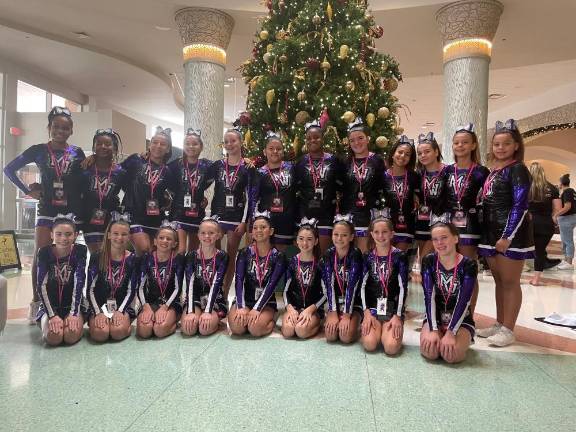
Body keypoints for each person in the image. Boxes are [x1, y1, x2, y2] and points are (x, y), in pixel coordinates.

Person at [3, 107, 85, 323]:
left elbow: (84, 181)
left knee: (70, 257)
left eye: (65, 127)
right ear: (49, 128)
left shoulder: (78, 152)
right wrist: (27, 190)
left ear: (71, 129)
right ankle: (36, 302)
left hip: (70, 211)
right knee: (41, 255)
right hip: (47, 209)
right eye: (56, 126)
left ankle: (70, 299)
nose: (60, 130)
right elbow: (9, 169)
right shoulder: (38, 150)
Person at [477, 119, 534, 347]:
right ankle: (500, 323)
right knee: (500, 280)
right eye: (497, 144)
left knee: (510, 281)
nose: (500, 148)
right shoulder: (493, 171)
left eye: (506, 144)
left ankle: (509, 329)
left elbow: (520, 205)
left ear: (516, 145)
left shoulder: (518, 169)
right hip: (491, 232)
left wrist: (507, 236)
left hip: (510, 234)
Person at [443, 123, 489, 313]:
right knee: (447, 267)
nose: (460, 146)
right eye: (456, 143)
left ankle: (469, 313)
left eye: (464, 142)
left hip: (470, 224)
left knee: (468, 269)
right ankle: (449, 309)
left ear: (473, 145)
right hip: (448, 224)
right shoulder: (446, 171)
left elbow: (486, 200)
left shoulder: (481, 171)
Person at [420, 217, 476, 364]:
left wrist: (451, 332)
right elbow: (428, 296)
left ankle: (464, 339)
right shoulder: (429, 261)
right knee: (431, 352)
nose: (439, 243)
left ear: (455, 238)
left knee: (452, 356)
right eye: (435, 239)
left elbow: (464, 300)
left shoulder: (468, 264)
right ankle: (439, 335)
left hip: (461, 319)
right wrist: (433, 328)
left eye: (444, 238)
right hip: (435, 317)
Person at [208, 127, 255, 295]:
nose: (229, 144)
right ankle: (212, 290)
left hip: (236, 217)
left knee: (230, 255)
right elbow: (201, 184)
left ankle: (224, 291)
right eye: (226, 141)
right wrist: (199, 200)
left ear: (241, 142)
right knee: (214, 254)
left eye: (233, 141)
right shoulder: (218, 165)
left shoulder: (248, 167)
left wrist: (245, 222)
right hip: (218, 216)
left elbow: (251, 197)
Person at [228, 211, 286, 337]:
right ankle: (248, 314)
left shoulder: (278, 256)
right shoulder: (244, 253)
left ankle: (270, 318)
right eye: (255, 228)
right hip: (245, 299)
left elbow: (272, 285)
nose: (258, 230)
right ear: (252, 232)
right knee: (237, 328)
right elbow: (239, 281)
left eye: (263, 227)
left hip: (266, 302)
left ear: (271, 231)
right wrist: (241, 306)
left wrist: (257, 308)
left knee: (255, 329)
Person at [360, 210, 408, 354]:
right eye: (377, 232)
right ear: (372, 234)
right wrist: (366, 312)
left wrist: (398, 316)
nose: (380, 236)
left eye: (385, 232)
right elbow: (362, 287)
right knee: (369, 344)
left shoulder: (399, 256)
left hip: (393, 309)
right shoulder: (368, 257)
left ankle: (386, 328)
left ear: (392, 234)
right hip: (373, 308)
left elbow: (403, 288)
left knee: (391, 348)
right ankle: (377, 328)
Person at [122, 127, 175, 256]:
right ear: (149, 145)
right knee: (145, 249)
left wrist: (167, 201)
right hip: (135, 216)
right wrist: (94, 159)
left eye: (163, 144)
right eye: (155, 142)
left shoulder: (167, 171)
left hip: (156, 219)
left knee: (154, 254)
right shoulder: (136, 160)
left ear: (168, 149)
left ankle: (146, 276)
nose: (158, 146)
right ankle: (137, 275)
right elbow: (115, 173)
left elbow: (176, 191)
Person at [36, 213, 86, 346]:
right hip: (51, 306)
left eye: (69, 234)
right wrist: (52, 316)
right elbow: (41, 286)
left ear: (76, 235)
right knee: (54, 338)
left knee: (70, 337)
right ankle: (46, 321)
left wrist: (74, 313)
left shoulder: (80, 251)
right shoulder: (44, 252)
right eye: (59, 234)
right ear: (52, 234)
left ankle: (75, 323)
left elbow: (79, 283)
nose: (63, 238)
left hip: (73, 306)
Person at [295, 119, 344, 254]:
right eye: (309, 138)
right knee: (307, 256)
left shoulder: (333, 160)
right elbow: (296, 190)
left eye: (316, 137)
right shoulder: (300, 162)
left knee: (323, 256)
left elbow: (341, 186)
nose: (312, 140)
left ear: (322, 139)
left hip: (326, 215)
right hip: (306, 215)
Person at [86, 213, 137, 341]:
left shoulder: (132, 259)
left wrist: (120, 311)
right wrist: (98, 313)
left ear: (129, 237)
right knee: (100, 334)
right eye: (115, 233)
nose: (119, 237)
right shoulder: (97, 257)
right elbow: (90, 289)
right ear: (108, 235)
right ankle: (97, 322)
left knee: (117, 332)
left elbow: (131, 291)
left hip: (121, 306)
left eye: (124, 234)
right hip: (100, 305)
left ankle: (126, 324)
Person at [340, 118, 385, 252]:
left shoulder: (377, 160)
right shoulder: (345, 162)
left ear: (368, 139)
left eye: (360, 138)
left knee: (365, 255)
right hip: (349, 215)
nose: (356, 143)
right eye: (352, 140)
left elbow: (383, 186)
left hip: (369, 215)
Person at [80, 129, 127, 254]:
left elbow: (132, 191)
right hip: (89, 217)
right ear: (94, 146)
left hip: (111, 218)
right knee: (95, 255)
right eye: (99, 143)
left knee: (111, 255)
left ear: (115, 147)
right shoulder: (85, 167)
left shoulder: (121, 172)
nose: (103, 147)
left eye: (107, 144)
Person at [181, 216, 228, 336]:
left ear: (218, 235)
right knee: (188, 329)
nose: (207, 236)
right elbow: (189, 284)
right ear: (198, 235)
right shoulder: (191, 256)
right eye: (203, 233)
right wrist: (190, 311)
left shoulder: (222, 256)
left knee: (204, 329)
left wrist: (207, 311)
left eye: (211, 233)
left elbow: (217, 284)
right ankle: (198, 314)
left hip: (215, 300)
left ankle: (216, 319)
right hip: (195, 298)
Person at [169, 129, 214, 254]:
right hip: (179, 212)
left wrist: (244, 161)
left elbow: (225, 166)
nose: (191, 147)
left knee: (193, 252)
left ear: (201, 147)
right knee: (181, 249)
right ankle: (174, 273)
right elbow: (159, 169)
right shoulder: (175, 164)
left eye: (195, 144)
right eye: (187, 144)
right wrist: (146, 155)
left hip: (197, 213)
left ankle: (188, 274)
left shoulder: (207, 165)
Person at [136, 221, 184, 338]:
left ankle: (174, 322)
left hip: (171, 303)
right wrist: (146, 307)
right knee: (144, 331)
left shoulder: (178, 260)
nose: (165, 241)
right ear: (155, 241)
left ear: (174, 243)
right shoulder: (147, 258)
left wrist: (165, 307)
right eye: (161, 238)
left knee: (160, 330)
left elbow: (178, 289)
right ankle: (153, 319)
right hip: (150, 302)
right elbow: (140, 287)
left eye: (169, 239)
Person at [321, 214, 363, 343]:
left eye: (344, 235)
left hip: (354, 303)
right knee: (330, 336)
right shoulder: (329, 254)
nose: (339, 238)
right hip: (335, 302)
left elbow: (352, 286)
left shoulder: (355, 254)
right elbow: (329, 284)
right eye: (336, 234)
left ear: (351, 237)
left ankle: (358, 324)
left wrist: (346, 315)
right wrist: (333, 312)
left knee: (345, 337)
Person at [282, 217, 326, 339]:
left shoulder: (320, 264)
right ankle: (297, 318)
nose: (304, 243)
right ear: (296, 240)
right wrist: (290, 308)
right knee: (288, 331)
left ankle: (318, 323)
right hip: (294, 307)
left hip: (313, 309)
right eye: (301, 239)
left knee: (301, 331)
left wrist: (311, 310)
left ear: (316, 241)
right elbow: (285, 291)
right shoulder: (292, 262)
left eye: (309, 239)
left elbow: (326, 294)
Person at [252, 131, 297, 251]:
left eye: (279, 148)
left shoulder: (292, 168)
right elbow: (253, 199)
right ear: (265, 151)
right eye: (271, 148)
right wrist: (251, 225)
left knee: (282, 257)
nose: (275, 151)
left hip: (286, 220)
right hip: (266, 221)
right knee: (266, 256)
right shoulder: (260, 173)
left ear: (283, 151)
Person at [383, 135, 420, 251]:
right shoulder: (383, 177)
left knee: (399, 261)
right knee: (387, 261)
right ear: (393, 154)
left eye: (407, 154)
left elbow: (420, 198)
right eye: (400, 152)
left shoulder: (414, 177)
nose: (403, 156)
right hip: (386, 227)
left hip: (406, 226)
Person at [528, 162, 561, 284]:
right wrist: (553, 220)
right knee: (540, 251)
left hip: (528, 223)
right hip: (546, 224)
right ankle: (536, 279)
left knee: (520, 249)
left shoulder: (525, 186)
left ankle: (516, 276)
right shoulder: (552, 188)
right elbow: (557, 209)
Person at [415, 132, 446, 262]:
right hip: (422, 221)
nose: (423, 155)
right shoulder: (418, 174)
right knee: (425, 263)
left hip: (442, 222)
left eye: (427, 151)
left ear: (436, 152)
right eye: (420, 153)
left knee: (431, 260)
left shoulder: (449, 171)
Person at [555, 173, 576, 270]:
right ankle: (566, 260)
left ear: (562, 183)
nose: (558, 184)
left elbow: (568, 206)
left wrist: (556, 214)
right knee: (565, 240)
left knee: (567, 241)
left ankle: (569, 263)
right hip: (571, 218)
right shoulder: (572, 191)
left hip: (567, 218)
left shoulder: (567, 192)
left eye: (558, 182)